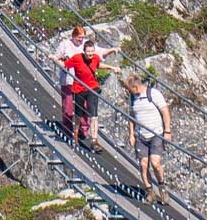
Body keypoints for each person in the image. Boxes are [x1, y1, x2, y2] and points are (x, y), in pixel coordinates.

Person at [63, 38, 121, 152]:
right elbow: (65, 64)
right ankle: (75, 135)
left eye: (92, 51)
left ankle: (94, 140)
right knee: (78, 114)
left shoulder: (95, 58)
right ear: (84, 51)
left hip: (92, 89)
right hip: (79, 89)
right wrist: (55, 59)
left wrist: (112, 67)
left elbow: (98, 65)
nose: (90, 54)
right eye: (88, 52)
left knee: (94, 115)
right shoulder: (77, 58)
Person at [126, 72, 172, 204]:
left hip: (156, 134)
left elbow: (165, 111)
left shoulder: (153, 94)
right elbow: (131, 116)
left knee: (155, 163)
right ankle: (149, 191)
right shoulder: (133, 98)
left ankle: (162, 188)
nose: (130, 92)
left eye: (130, 89)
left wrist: (167, 131)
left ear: (136, 86)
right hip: (141, 136)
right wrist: (131, 133)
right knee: (143, 164)